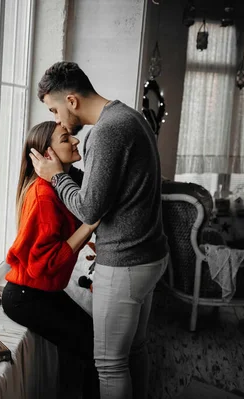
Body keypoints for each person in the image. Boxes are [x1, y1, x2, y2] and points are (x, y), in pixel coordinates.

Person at [30, 61, 169, 399]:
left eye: (56, 110)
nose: (59, 121)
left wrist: (56, 177)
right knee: (135, 350)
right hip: (150, 255)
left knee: (109, 365)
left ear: (72, 101)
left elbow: (90, 208)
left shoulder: (106, 132)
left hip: (125, 263)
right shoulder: (130, 116)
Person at [2, 121, 100, 399]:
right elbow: (42, 265)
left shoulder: (59, 186)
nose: (76, 142)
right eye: (66, 138)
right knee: (93, 346)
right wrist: (89, 226)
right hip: (27, 297)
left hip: (42, 292)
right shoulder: (43, 195)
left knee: (89, 339)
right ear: (48, 155)